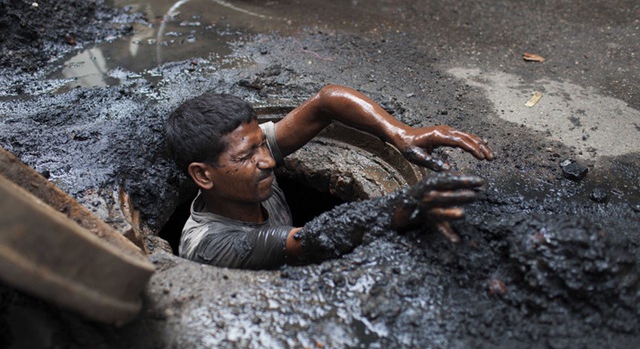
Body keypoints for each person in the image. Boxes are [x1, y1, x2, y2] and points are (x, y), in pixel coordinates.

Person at [165, 84, 494, 269]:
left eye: (263, 145)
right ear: (202, 176)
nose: (267, 160)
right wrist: (401, 206)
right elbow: (311, 240)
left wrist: (401, 133)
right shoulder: (208, 244)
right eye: (248, 156)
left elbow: (326, 103)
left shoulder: (244, 158)